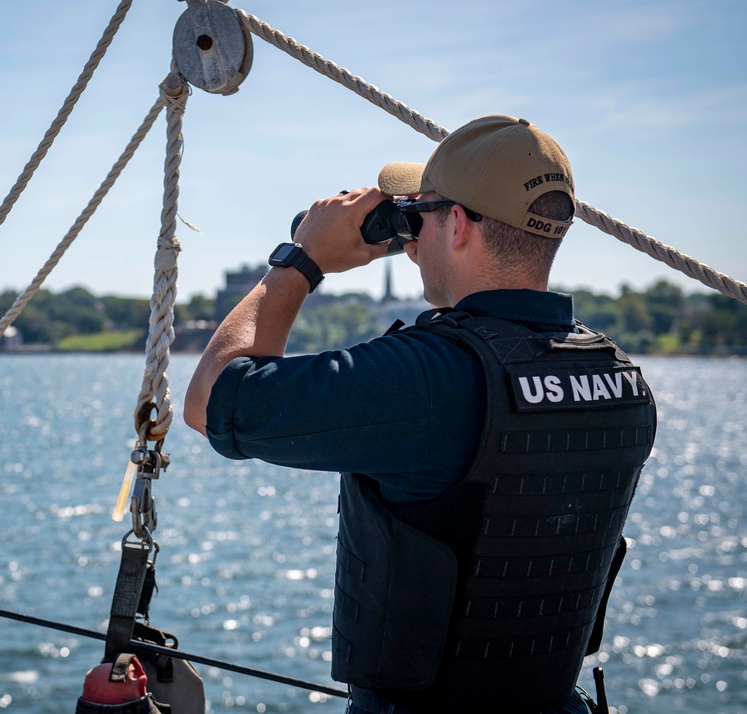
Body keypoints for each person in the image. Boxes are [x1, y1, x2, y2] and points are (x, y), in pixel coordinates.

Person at [184, 115, 657, 714]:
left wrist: (302, 260)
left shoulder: (431, 379)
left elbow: (209, 402)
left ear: (457, 224)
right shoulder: (622, 381)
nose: (409, 240)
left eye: (420, 215)